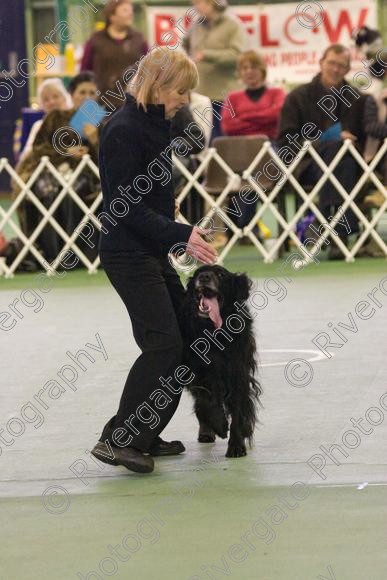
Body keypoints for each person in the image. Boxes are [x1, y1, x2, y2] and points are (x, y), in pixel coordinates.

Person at [91, 47, 217, 474]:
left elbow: (153, 194)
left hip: (150, 251)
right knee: (164, 343)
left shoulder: (155, 122)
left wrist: (178, 228)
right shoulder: (123, 128)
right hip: (127, 255)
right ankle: (119, 440)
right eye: (181, 91)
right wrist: (183, 234)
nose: (185, 99)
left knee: (180, 340)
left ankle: (142, 434)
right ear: (158, 85)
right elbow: (123, 205)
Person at [277, 44, 368, 259]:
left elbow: (364, 140)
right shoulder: (297, 97)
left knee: (340, 154)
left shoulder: (357, 99)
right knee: (336, 149)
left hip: (350, 168)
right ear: (321, 63)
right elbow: (286, 141)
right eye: (332, 63)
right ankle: (341, 233)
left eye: (342, 66)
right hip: (306, 165)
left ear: (347, 70)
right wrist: (324, 139)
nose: (336, 69)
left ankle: (326, 223)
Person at [14, 72, 100, 265]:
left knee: (78, 190)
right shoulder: (56, 117)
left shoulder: (99, 119)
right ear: (72, 94)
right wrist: (65, 151)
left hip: (89, 176)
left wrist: (95, 139)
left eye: (91, 93)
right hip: (51, 172)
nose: (86, 97)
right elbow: (38, 149)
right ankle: (50, 253)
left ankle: (80, 254)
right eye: (82, 92)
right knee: (47, 191)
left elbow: (110, 156)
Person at [183, 0, 246, 141]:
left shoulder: (233, 25)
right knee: (201, 142)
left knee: (223, 142)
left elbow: (237, 56)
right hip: (200, 96)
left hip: (224, 96)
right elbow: (186, 45)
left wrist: (207, 55)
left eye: (198, 3)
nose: (195, 7)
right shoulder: (195, 25)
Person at [80, 0, 147, 111]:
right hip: (98, 103)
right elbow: (84, 71)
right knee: (81, 128)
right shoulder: (95, 39)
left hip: (132, 104)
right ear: (112, 16)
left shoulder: (139, 39)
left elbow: (149, 69)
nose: (130, 13)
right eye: (125, 10)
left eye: (131, 10)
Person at [221, 50, 286, 138]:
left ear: (262, 70)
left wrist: (243, 117)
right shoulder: (232, 98)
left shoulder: (277, 93)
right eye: (245, 68)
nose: (249, 71)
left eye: (254, 67)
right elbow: (228, 126)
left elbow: (278, 115)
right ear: (240, 73)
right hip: (240, 145)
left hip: (271, 143)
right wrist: (265, 124)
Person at [19, 78, 72, 163]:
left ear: (65, 98)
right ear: (42, 105)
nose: (52, 102)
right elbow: (26, 155)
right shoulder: (38, 126)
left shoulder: (74, 122)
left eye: (55, 96)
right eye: (46, 99)